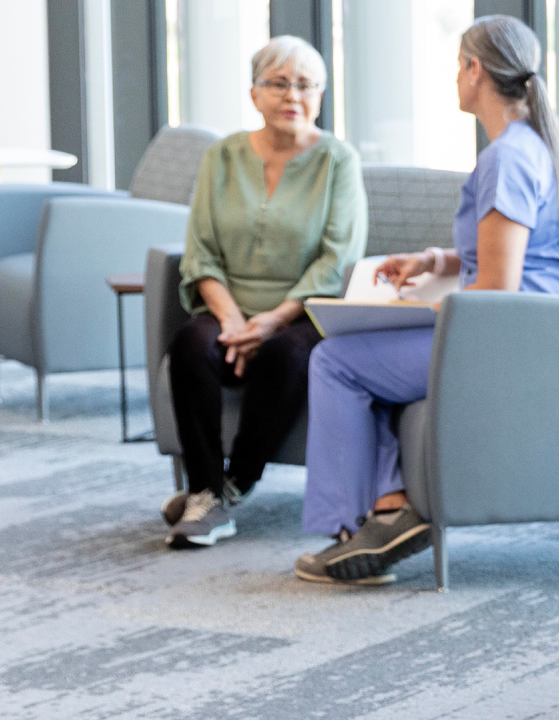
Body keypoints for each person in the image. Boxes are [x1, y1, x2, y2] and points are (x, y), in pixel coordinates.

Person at [291, 15, 559, 585]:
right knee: (355, 352)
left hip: (506, 339)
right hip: (525, 328)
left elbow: (497, 291)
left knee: (335, 359)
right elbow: (511, 254)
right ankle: (387, 508)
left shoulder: (506, 158)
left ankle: (371, 515)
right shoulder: (529, 147)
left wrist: (407, 312)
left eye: (459, 65)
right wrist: (435, 262)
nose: (456, 77)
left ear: (475, 70)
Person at [159, 36, 366, 549]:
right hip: (228, 302)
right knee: (191, 345)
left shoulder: (338, 161)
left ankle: (237, 482)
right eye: (278, 83)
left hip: (304, 310)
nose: (292, 95)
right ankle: (205, 493)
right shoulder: (221, 157)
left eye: (305, 85)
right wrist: (230, 320)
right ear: (255, 94)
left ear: (320, 95)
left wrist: (273, 319)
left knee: (285, 354)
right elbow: (200, 251)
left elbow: (336, 259)